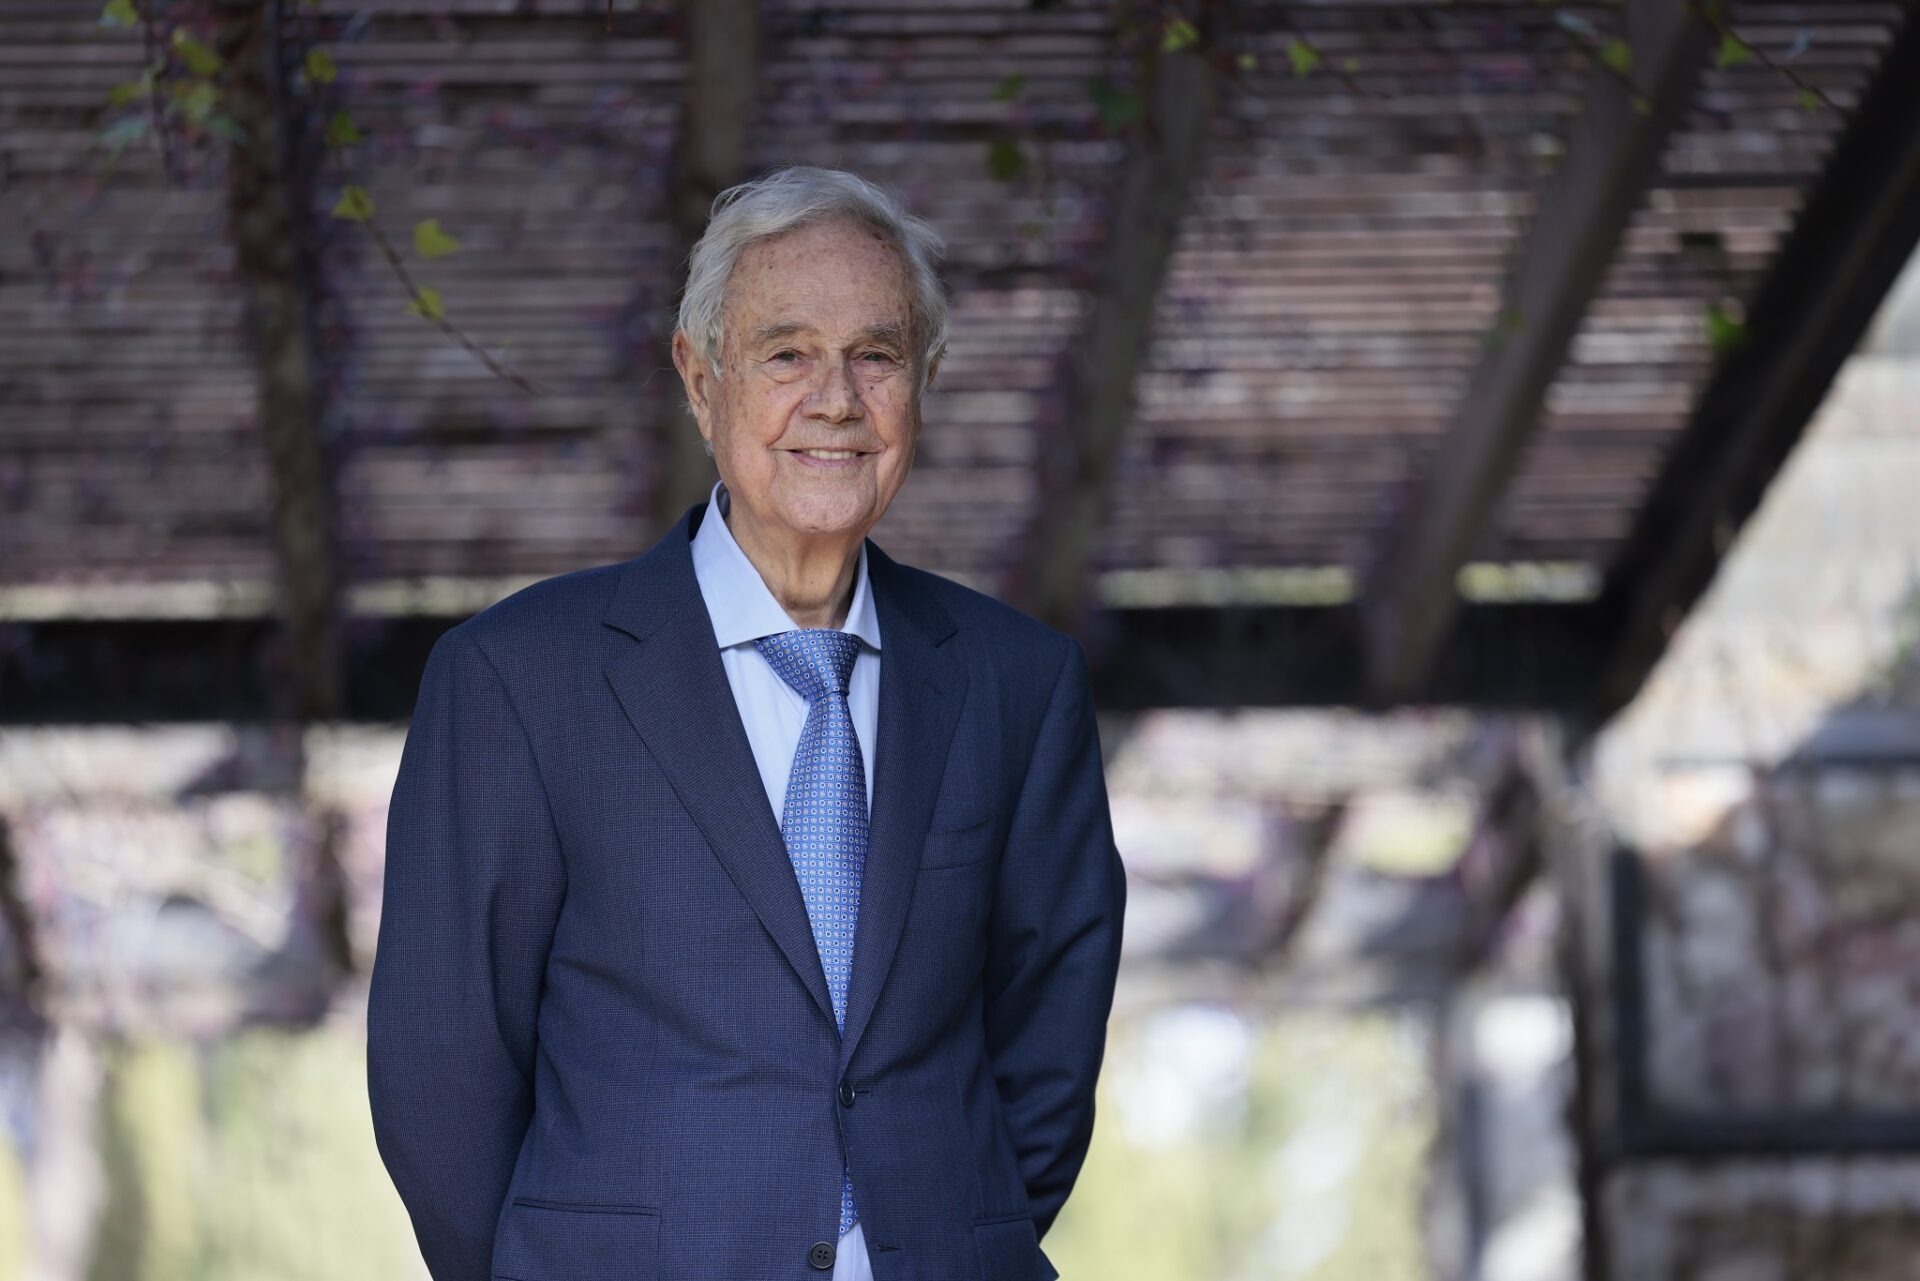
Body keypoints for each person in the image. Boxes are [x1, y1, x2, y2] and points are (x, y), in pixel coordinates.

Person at [366, 165, 1127, 1281]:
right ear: (700, 376)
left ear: (923, 383)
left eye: (877, 356)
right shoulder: (516, 681)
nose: (837, 399)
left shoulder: (1019, 684)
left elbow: (1049, 1047)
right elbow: (441, 1069)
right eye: (786, 354)